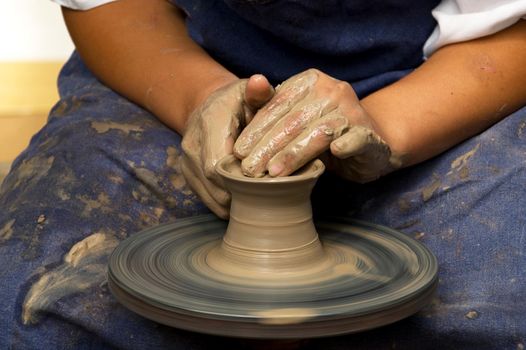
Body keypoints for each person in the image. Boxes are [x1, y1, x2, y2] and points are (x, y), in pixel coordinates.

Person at [0, 0, 525, 348]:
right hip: (175, 65)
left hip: (442, 85)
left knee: (497, 306)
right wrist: (196, 98)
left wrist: (388, 126)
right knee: (32, 301)